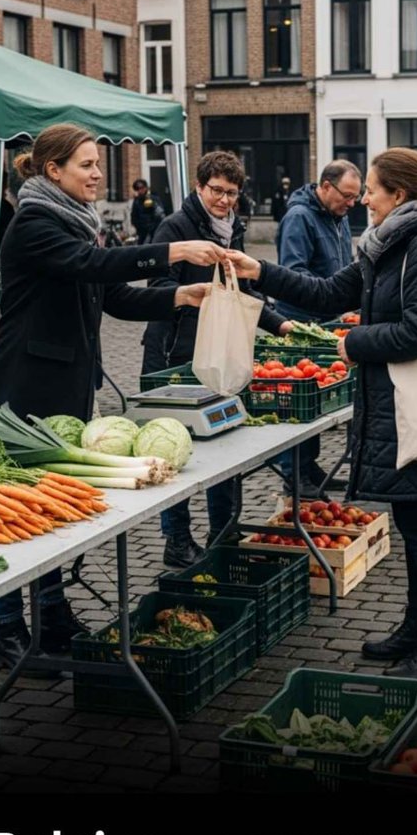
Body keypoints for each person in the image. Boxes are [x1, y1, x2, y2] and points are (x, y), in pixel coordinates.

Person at [0, 122, 226, 670]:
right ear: (53, 170)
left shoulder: (77, 222)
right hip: (23, 389)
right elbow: (90, 266)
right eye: (86, 165)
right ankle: (8, 631)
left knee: (50, 508)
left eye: (97, 164)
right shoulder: (34, 223)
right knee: (12, 512)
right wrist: (173, 251)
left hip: (65, 389)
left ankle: (52, 614)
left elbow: (113, 296)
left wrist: (181, 296)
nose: (97, 174)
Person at [225, 148, 417, 684]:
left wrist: (354, 343)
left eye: (372, 192)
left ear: (398, 195)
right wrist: (260, 270)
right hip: (396, 407)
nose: (365, 202)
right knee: (412, 523)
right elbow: (329, 292)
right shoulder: (389, 244)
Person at [145, 151, 294, 566]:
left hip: (220, 355)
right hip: (174, 354)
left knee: (226, 446)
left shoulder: (233, 230)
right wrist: (194, 298)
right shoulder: (175, 228)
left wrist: (279, 324)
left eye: (232, 193)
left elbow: (243, 291)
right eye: (217, 191)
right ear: (199, 186)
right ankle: (177, 540)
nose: (224, 200)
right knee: (175, 449)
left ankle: (224, 533)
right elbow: (156, 287)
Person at [272, 159, 363, 497]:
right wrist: (331, 292)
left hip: (328, 319)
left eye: (355, 197)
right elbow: (293, 271)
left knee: (317, 400)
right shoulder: (299, 217)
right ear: (325, 186)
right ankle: (294, 474)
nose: (351, 203)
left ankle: (309, 467)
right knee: (300, 399)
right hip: (300, 321)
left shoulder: (338, 216)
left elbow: (344, 266)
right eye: (347, 196)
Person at [130, 178, 165, 244]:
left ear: (145, 188)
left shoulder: (153, 198)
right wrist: (138, 226)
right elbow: (134, 215)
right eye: (138, 189)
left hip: (153, 230)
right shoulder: (137, 201)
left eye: (141, 188)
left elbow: (160, 213)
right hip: (142, 231)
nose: (140, 191)